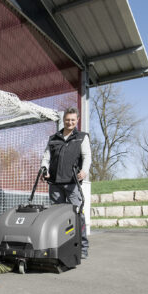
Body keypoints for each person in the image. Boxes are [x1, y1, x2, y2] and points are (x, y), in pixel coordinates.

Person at [39, 107, 91, 258]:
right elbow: (46, 157)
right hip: (55, 184)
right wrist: (44, 169)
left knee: (77, 215)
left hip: (73, 183)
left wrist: (84, 171)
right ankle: (58, 247)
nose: (70, 122)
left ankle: (83, 248)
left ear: (77, 120)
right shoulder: (53, 138)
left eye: (73, 120)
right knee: (56, 217)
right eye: (67, 120)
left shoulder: (82, 137)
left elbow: (87, 156)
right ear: (63, 120)